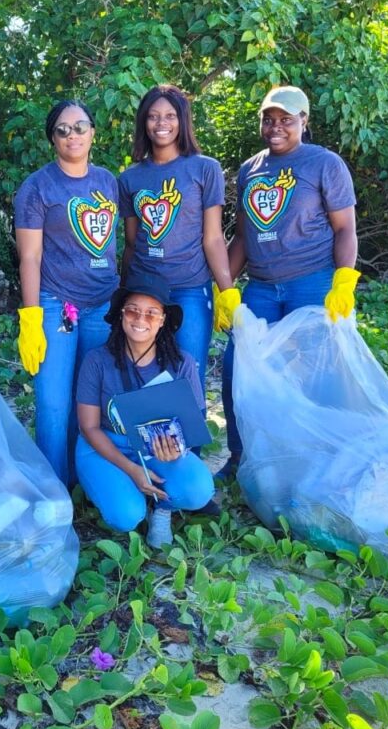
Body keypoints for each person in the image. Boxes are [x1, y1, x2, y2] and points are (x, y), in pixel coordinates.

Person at [220, 85, 359, 478]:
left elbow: (345, 227)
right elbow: (244, 237)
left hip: (311, 281)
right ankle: (240, 455)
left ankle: (317, 458)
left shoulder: (324, 164)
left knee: (314, 373)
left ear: (304, 121)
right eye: (268, 119)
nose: (275, 127)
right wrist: (224, 287)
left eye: (285, 119)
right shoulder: (250, 169)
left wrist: (343, 280)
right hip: (262, 287)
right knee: (238, 368)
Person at [14, 99, 119, 486]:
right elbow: (30, 256)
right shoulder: (37, 188)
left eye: (80, 127)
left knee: (88, 401)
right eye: (62, 129)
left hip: (103, 306)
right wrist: (31, 317)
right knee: (53, 405)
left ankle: (83, 483)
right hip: (57, 303)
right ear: (52, 139)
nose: (72, 135)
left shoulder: (108, 181)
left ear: (93, 132)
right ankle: (53, 490)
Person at [75, 272, 214, 546]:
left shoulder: (181, 363)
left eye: (152, 313)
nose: (140, 320)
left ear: (163, 320)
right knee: (125, 516)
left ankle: (162, 509)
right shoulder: (97, 361)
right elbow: (88, 427)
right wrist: (131, 469)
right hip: (106, 447)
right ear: (121, 315)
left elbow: (193, 421)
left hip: (157, 449)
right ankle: (130, 494)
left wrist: (177, 447)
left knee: (199, 490)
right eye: (133, 311)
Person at [118, 84, 240, 398]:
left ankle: (189, 450)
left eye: (170, 116)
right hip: (144, 290)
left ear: (182, 120)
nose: (162, 123)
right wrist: (122, 292)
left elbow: (212, 238)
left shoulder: (205, 169)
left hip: (190, 289)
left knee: (188, 376)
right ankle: (149, 446)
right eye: (153, 116)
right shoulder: (130, 178)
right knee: (146, 375)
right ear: (143, 122)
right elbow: (132, 243)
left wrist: (227, 291)